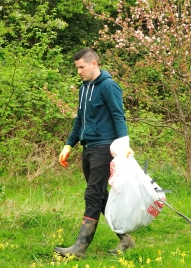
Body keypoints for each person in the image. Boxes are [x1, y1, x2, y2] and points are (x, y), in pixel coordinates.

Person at [55, 48, 134, 257]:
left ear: (94, 64)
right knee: (100, 197)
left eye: (82, 67)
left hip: (104, 148)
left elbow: (119, 117)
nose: (79, 71)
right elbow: (79, 119)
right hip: (87, 148)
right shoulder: (83, 89)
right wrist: (68, 145)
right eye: (77, 68)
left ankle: (79, 248)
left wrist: (124, 146)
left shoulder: (109, 87)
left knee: (92, 195)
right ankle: (125, 239)